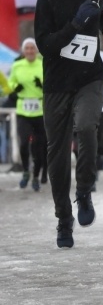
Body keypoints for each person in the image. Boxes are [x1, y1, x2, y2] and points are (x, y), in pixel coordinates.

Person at [34, 0, 103, 248]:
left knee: (86, 126)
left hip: (90, 77)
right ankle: (63, 220)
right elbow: (45, 46)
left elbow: (102, 12)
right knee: (56, 154)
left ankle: (84, 191)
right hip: (57, 83)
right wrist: (75, 24)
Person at [8, 38, 47, 191]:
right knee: (24, 143)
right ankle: (25, 171)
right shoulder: (17, 65)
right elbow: (11, 82)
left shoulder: (43, 64)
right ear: (23, 51)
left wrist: (42, 85)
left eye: (32, 48)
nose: (30, 51)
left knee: (38, 147)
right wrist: (15, 87)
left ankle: (36, 176)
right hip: (23, 110)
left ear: (36, 50)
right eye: (27, 48)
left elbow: (51, 83)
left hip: (40, 110)